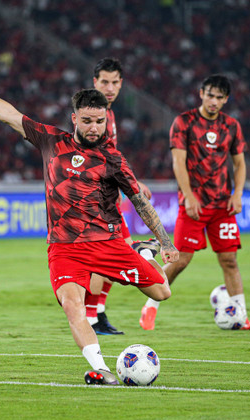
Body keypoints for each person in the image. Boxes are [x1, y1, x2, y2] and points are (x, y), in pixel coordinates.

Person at [0, 65, 178, 384]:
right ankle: (100, 369)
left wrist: (165, 242)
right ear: (74, 118)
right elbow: (9, 115)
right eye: (86, 120)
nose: (93, 127)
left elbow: (141, 202)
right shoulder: (50, 140)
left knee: (161, 292)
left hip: (106, 244)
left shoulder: (112, 158)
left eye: (99, 121)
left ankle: (144, 253)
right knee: (73, 305)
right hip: (64, 248)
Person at [139, 74, 250, 331]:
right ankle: (151, 306)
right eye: (210, 95)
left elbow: (239, 164)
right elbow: (178, 162)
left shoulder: (231, 126)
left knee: (229, 260)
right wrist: (189, 195)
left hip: (222, 206)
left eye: (219, 97)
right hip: (193, 205)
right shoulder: (184, 122)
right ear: (201, 94)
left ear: (226, 99)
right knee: (180, 260)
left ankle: (241, 316)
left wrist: (237, 193)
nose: (214, 101)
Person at [85, 57, 154, 335]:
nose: (110, 87)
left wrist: (132, 181)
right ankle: (92, 317)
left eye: (115, 82)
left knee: (117, 252)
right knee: (112, 253)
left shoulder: (109, 115)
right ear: (95, 82)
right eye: (104, 82)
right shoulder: (89, 114)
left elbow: (111, 158)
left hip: (108, 198)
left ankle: (97, 314)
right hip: (94, 200)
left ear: (121, 84)